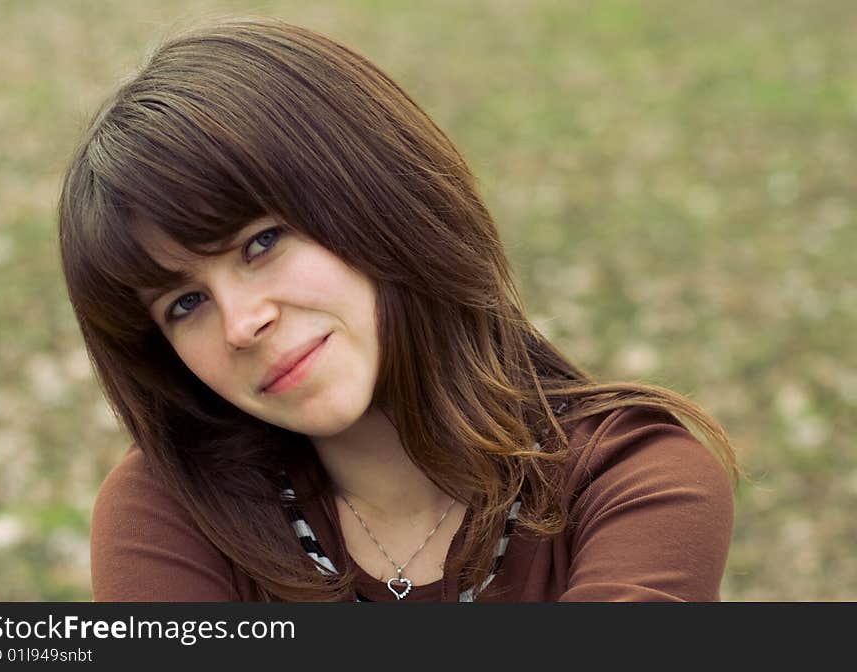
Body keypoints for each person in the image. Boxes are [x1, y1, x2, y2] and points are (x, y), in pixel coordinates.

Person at [58, 17, 737, 602]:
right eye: (184, 303)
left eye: (261, 242)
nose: (241, 323)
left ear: (377, 194)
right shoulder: (171, 515)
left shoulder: (634, 482)